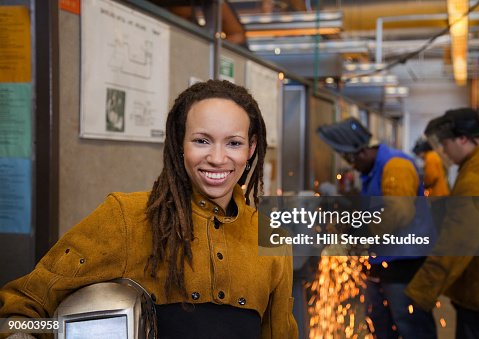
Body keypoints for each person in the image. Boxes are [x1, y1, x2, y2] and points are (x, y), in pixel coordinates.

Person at [0, 80, 298, 339]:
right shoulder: (126, 218)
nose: (217, 158)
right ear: (179, 142)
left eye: (233, 143)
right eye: (201, 140)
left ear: (252, 147)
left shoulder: (271, 238)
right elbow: (22, 305)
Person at [317, 117, 437, 339]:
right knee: (380, 324)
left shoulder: (396, 166)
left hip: (404, 264)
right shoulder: (373, 170)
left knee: (410, 324)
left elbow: (396, 213)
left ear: (361, 152)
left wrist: (358, 232)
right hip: (381, 261)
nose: (352, 165)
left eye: (350, 159)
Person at [406, 107, 479, 338]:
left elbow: (458, 241)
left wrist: (421, 290)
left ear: (463, 138)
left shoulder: (478, 173)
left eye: (445, 144)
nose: (443, 151)